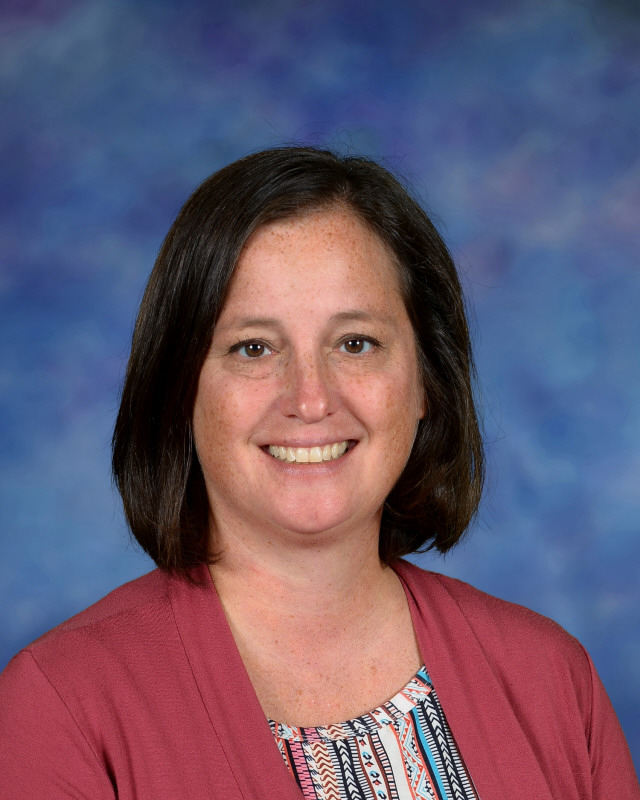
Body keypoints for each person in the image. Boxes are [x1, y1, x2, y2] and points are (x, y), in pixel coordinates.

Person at [0, 146, 637, 800]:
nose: (310, 398)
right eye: (253, 347)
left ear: (425, 385)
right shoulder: (65, 706)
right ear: (181, 389)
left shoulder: (553, 680)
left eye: (355, 342)